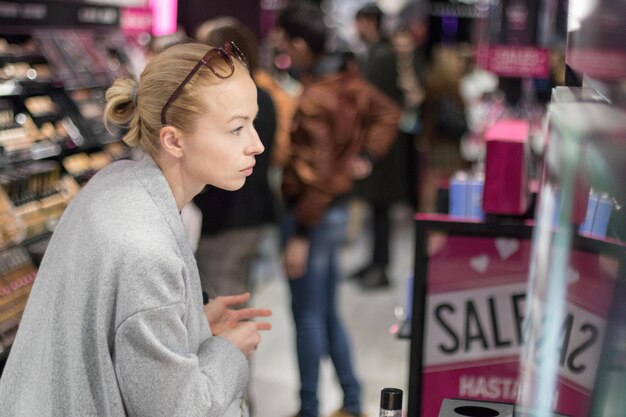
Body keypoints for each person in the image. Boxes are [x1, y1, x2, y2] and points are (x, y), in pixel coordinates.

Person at [0, 41, 272, 417]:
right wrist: (228, 351)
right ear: (174, 140)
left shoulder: (115, 181)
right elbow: (178, 410)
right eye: (237, 129)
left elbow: (114, 334)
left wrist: (188, 323)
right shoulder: (147, 247)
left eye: (252, 123)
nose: (256, 144)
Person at [275, 1, 401, 416]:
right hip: (337, 209)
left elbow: (319, 174)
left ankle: (309, 407)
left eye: (284, 44)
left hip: (312, 214)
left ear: (297, 42)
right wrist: (365, 155)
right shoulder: (348, 80)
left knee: (308, 316)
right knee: (324, 311)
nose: (284, 53)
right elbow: (389, 113)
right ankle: (349, 399)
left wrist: (300, 234)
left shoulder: (316, 97)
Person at [192, 17, 279, 300]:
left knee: (224, 308)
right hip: (251, 213)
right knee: (238, 300)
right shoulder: (263, 95)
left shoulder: (228, 100)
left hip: (227, 217)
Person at [350, 2, 428, 289]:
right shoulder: (380, 53)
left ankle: (380, 267)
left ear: (370, 22)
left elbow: (381, 103)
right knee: (375, 208)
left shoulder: (384, 55)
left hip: (384, 145)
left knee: (380, 206)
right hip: (383, 142)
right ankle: (374, 263)